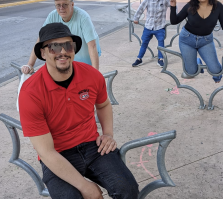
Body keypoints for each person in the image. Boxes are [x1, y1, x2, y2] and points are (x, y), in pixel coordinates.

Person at [19, 23, 139, 199]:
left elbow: (104, 104)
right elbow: (46, 152)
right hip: (57, 153)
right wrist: (86, 187)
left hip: (92, 145)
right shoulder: (30, 92)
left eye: (68, 45)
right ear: (43, 53)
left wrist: (108, 134)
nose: (62, 52)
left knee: (127, 190)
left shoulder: (91, 75)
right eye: (54, 47)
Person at [22, 0, 101, 74]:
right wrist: (30, 64)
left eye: (65, 4)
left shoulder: (83, 17)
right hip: (65, 59)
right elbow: (40, 39)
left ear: (72, 4)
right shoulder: (53, 16)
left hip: (84, 59)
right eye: (58, 5)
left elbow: (92, 46)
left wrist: (95, 73)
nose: (61, 8)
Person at [169, 0, 223, 83]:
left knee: (216, 70)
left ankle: (214, 75)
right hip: (187, 40)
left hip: (206, 41)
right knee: (191, 72)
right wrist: (173, 6)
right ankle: (197, 62)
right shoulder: (190, 6)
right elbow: (174, 21)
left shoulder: (218, 7)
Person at [132, 0, 171, 68]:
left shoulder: (165, 0)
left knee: (161, 43)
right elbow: (140, 9)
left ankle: (160, 59)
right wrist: (136, 18)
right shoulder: (147, 0)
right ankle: (139, 59)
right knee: (144, 43)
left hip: (160, 27)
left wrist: (175, 17)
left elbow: (173, 7)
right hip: (148, 26)